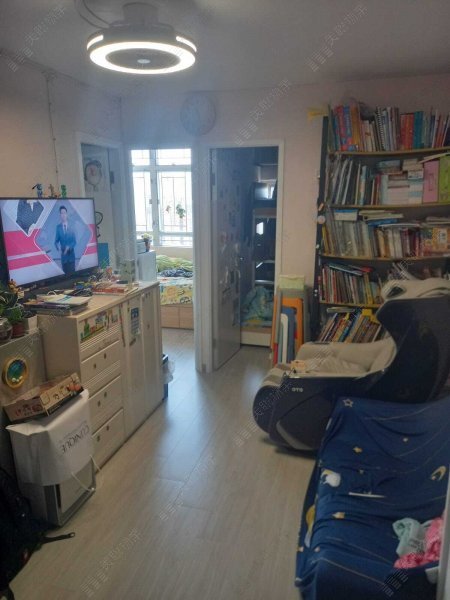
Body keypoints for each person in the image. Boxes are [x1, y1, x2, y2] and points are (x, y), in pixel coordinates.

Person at [54, 205, 76, 275]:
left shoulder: (72, 225)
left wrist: (69, 247)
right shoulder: (58, 227)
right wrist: (58, 249)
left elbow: (74, 241)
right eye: (61, 213)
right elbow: (56, 242)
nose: (63, 215)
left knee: (73, 276)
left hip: (71, 257)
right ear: (60, 215)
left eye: (64, 213)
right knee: (65, 277)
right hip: (64, 257)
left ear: (67, 214)